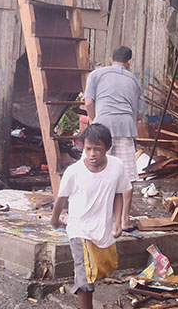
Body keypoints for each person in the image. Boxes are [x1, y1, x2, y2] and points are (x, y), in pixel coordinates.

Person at [51, 123, 131, 309]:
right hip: (79, 229)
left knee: (105, 265)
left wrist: (117, 221)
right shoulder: (74, 172)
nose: (92, 154)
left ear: (108, 149)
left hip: (102, 228)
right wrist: (55, 220)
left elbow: (121, 192)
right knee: (85, 274)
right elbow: (61, 199)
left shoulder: (116, 166)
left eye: (97, 149)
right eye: (88, 149)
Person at [84, 46, 146, 231]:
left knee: (91, 169)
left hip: (102, 127)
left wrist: (96, 122)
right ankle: (124, 221)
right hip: (126, 128)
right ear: (129, 62)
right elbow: (140, 114)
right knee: (127, 176)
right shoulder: (134, 80)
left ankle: (91, 216)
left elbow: (88, 103)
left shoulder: (96, 74)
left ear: (111, 59)